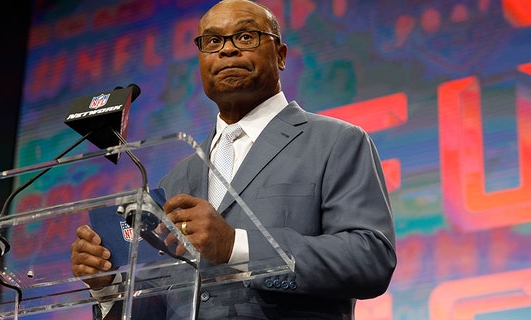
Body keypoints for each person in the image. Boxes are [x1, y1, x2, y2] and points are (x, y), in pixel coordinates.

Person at [71, 0, 397, 318]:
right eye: (212, 41)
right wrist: (107, 286)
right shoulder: (177, 180)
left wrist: (236, 246)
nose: (227, 50)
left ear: (281, 56)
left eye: (245, 37)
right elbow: (165, 303)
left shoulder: (336, 141)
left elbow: (370, 259)